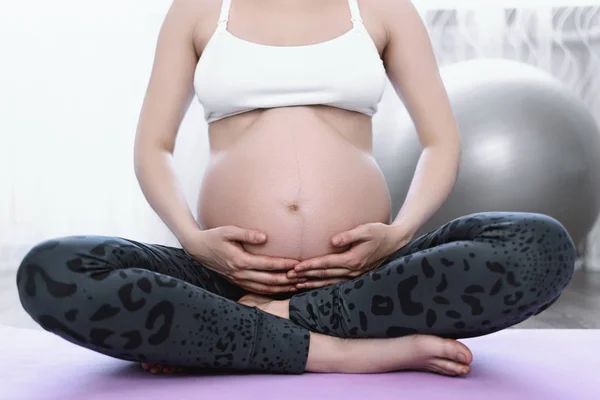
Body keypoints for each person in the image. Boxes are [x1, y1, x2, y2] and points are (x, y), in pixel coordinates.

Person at [17, 0, 575, 377]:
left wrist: (398, 234)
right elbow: (152, 148)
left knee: (539, 247)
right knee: (52, 271)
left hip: (365, 276)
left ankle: (258, 328)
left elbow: (440, 143)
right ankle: (338, 352)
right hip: (224, 277)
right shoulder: (200, 8)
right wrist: (193, 239)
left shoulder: (380, 8)